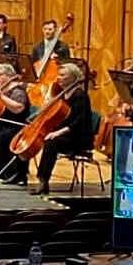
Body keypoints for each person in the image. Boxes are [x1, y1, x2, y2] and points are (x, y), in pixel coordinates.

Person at [31, 63, 94, 195]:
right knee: (46, 140)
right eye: (59, 75)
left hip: (79, 137)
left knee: (51, 143)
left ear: (73, 77)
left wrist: (57, 132)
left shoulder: (80, 96)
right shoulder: (61, 93)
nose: (58, 78)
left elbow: (79, 122)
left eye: (62, 75)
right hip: (66, 135)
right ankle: (32, 177)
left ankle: (43, 180)